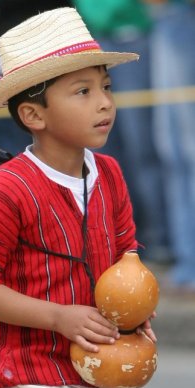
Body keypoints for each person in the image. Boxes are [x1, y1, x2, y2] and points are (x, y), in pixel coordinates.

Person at [0, 7, 156, 388]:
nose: (104, 103)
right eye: (83, 91)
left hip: (102, 360)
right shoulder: (5, 188)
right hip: (33, 372)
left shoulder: (110, 173)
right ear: (33, 114)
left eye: (107, 87)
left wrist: (135, 312)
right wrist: (59, 317)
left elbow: (124, 255)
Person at [71, 0, 168, 263]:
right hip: (91, 39)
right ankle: (114, 238)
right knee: (102, 152)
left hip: (131, 35)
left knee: (142, 148)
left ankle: (155, 238)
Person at [146, 0, 195, 290]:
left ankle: (189, 262)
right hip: (166, 20)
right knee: (171, 151)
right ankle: (186, 260)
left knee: (189, 152)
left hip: (183, 18)